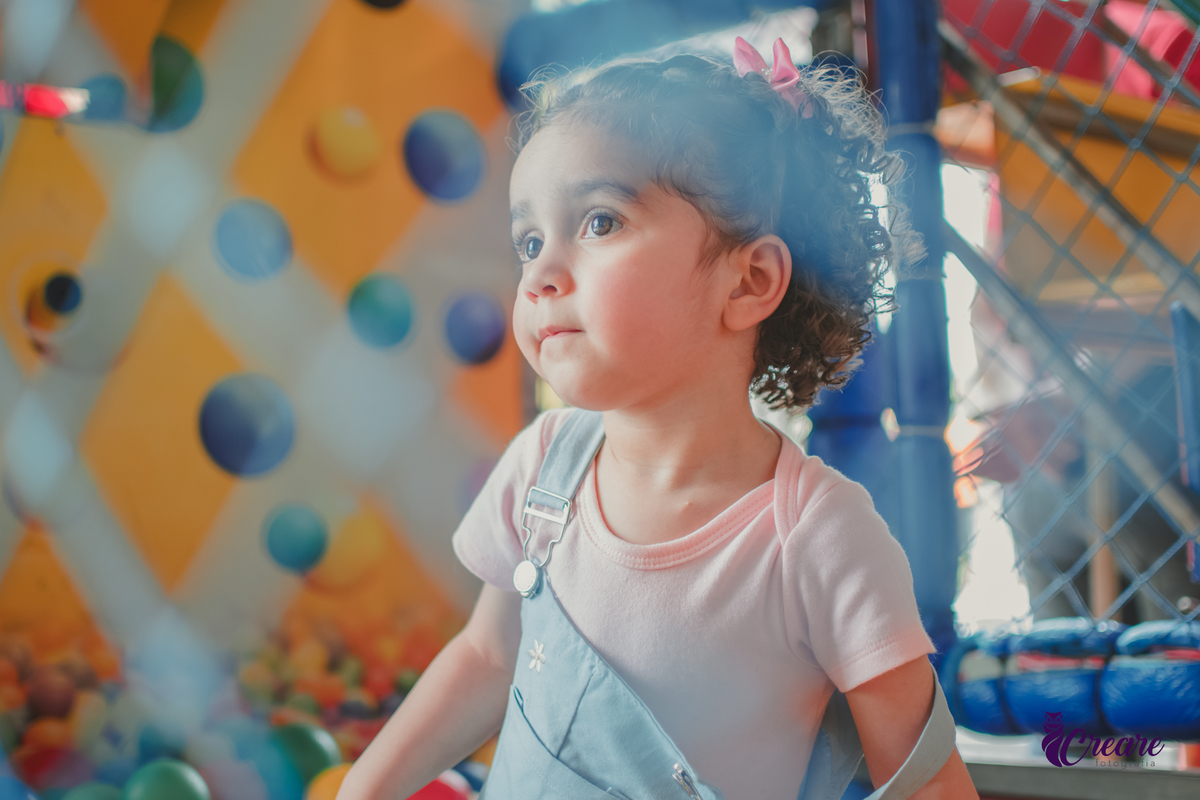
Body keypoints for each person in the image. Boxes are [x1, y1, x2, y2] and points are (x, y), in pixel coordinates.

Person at [338, 37, 979, 800]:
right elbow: (486, 655)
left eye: (600, 222)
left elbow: (927, 780)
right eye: (529, 240)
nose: (540, 274)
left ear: (750, 281)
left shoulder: (817, 538)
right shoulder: (544, 469)